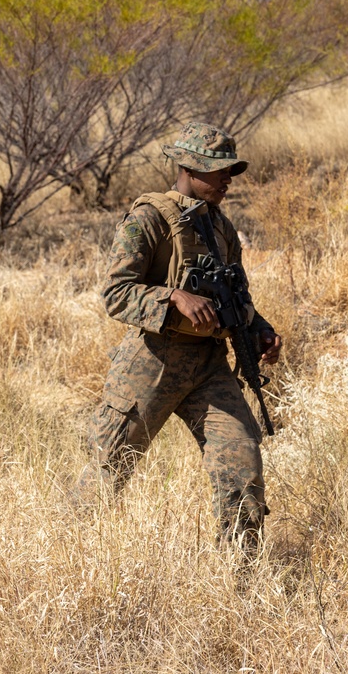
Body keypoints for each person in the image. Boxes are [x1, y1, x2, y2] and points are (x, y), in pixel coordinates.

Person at [86, 121, 283, 552]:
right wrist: (172, 297)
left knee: (242, 464)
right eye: (219, 170)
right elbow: (115, 294)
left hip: (209, 366)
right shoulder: (149, 218)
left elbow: (237, 295)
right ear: (190, 168)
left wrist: (259, 329)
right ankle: (64, 560)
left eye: (231, 171)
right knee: (107, 471)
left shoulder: (221, 228)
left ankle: (241, 577)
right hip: (151, 363)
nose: (228, 179)